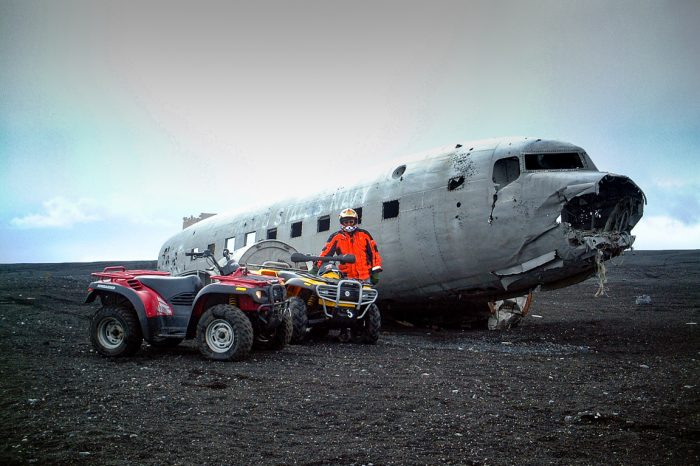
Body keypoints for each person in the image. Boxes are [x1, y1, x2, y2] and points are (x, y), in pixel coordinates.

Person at [315, 208, 383, 284]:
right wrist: (315, 269)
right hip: (346, 278)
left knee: (365, 296)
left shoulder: (364, 235)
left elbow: (374, 253)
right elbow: (325, 254)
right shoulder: (336, 237)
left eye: (351, 222)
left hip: (365, 278)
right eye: (346, 222)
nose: (348, 224)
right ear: (342, 223)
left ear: (355, 222)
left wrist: (376, 273)